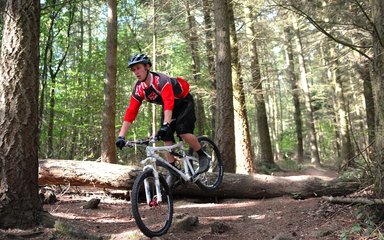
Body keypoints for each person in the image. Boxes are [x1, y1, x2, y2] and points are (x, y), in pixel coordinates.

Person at [115, 53, 210, 185]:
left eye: (138, 68)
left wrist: (166, 124)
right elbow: (131, 111)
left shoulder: (161, 81)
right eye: (133, 70)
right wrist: (121, 136)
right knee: (166, 137)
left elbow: (169, 101)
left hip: (183, 102)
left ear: (147, 67)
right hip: (168, 107)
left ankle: (202, 155)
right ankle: (173, 170)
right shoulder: (138, 89)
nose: (136, 72)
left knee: (182, 130)